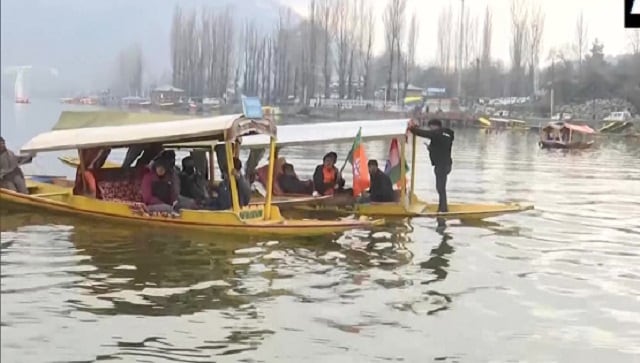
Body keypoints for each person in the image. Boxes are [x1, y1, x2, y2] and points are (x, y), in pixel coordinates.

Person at [409, 119, 454, 212]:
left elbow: (423, 133)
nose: (430, 129)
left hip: (441, 165)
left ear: (434, 126)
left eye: (430, 127)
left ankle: (443, 209)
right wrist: (431, 148)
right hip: (447, 164)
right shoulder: (448, 134)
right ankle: (442, 207)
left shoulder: (437, 133)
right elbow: (442, 147)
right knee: (441, 187)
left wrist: (412, 129)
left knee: (440, 188)